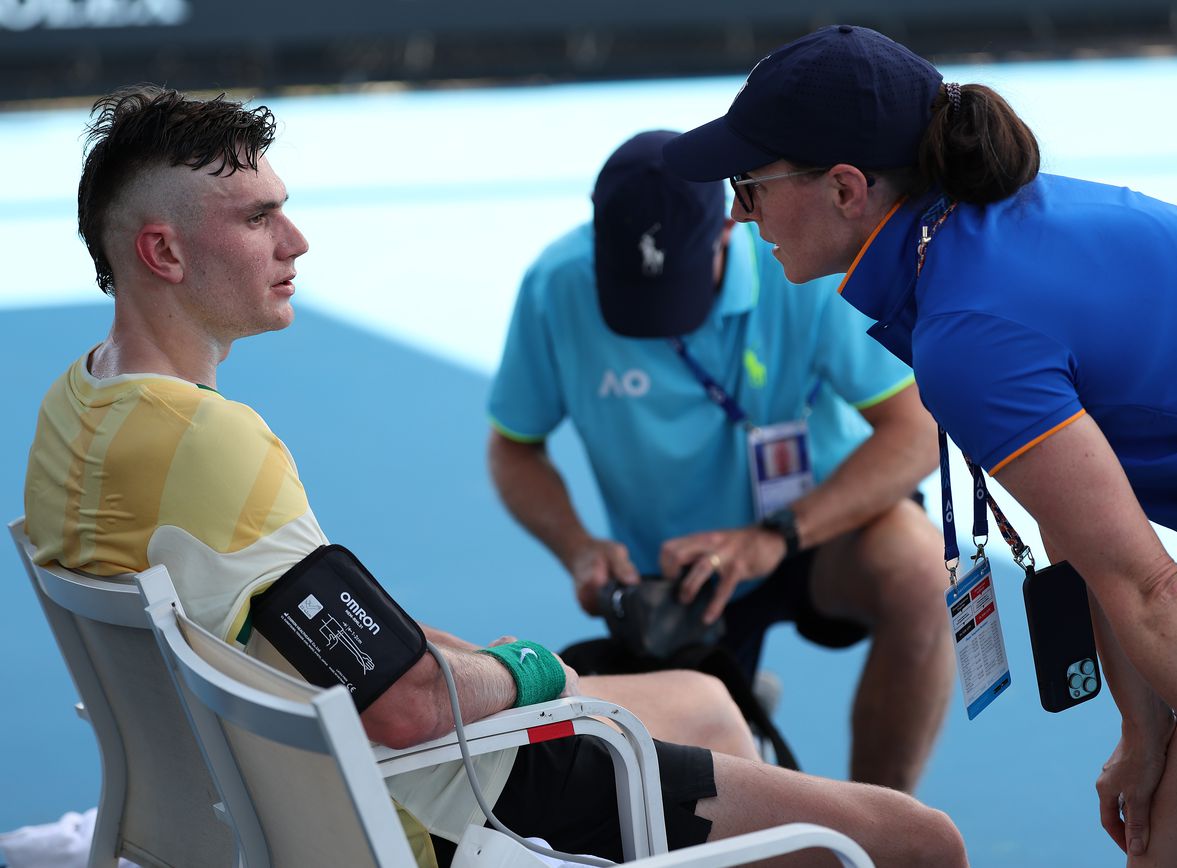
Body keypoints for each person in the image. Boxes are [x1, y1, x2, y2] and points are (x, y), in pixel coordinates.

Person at [22, 85, 968, 868]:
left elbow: (327, 631)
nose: (297, 240)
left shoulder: (73, 414)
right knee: (917, 842)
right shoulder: (217, 447)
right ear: (163, 251)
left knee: (707, 701)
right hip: (440, 802)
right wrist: (529, 668)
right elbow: (408, 705)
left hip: (283, 780)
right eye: (260, 217)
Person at [662, 23, 1177, 865]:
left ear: (846, 188)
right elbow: (1089, 541)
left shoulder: (968, 326)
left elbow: (1153, 590)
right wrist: (1144, 731)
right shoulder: (978, 239)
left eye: (750, 181)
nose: (736, 210)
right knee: (1170, 828)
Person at [488, 129, 953, 793]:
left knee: (920, 572)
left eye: (676, 287)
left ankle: (882, 824)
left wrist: (777, 536)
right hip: (675, 572)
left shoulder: (800, 262)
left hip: (813, 527)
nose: (664, 323)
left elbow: (914, 428)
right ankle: (736, 695)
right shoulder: (557, 283)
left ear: (731, 228)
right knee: (678, 796)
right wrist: (580, 549)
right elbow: (513, 447)